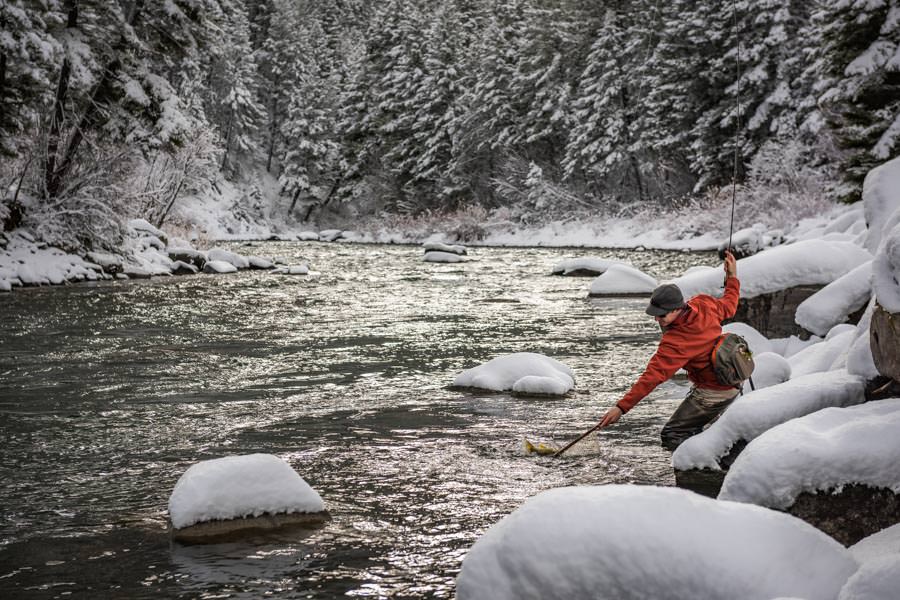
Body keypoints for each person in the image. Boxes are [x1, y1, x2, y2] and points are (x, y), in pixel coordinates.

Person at [597, 251, 740, 450]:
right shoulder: (703, 303)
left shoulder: (677, 341)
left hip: (714, 391)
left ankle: (698, 472)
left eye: (661, 315)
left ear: (676, 309)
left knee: (673, 434)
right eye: (654, 314)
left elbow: (652, 377)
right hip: (732, 381)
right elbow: (730, 305)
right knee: (694, 429)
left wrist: (621, 408)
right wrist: (732, 277)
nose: (657, 319)